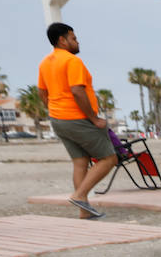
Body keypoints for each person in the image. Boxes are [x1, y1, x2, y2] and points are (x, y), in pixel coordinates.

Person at [38, 23, 114, 218]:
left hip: (58, 119)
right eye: (73, 38)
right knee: (109, 158)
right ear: (62, 40)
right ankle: (80, 195)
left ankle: (84, 212)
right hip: (77, 118)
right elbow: (77, 91)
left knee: (80, 162)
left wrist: (54, 108)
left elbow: (42, 91)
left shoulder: (45, 63)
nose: (77, 41)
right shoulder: (72, 61)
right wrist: (94, 118)